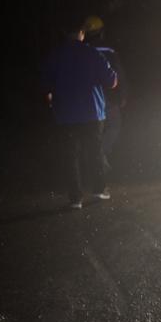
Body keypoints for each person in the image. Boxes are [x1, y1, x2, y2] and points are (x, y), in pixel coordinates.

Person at [42, 18, 118, 209]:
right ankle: (99, 189)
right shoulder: (92, 53)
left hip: (65, 113)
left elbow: (45, 84)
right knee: (95, 151)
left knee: (70, 155)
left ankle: (75, 198)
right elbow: (112, 81)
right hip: (92, 112)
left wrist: (51, 97)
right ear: (82, 33)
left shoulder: (55, 55)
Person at [81, 15, 127, 171]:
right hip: (108, 96)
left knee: (94, 130)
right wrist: (122, 94)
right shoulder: (109, 51)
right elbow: (118, 73)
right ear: (101, 32)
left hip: (87, 98)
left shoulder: (81, 51)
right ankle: (101, 155)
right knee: (114, 125)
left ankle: (93, 160)